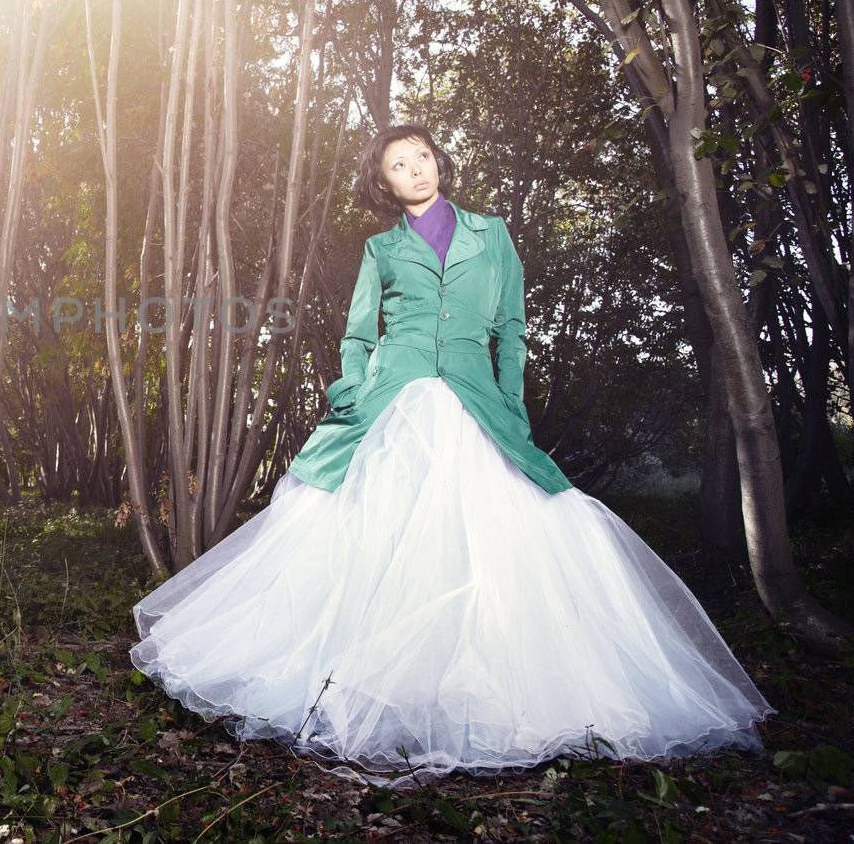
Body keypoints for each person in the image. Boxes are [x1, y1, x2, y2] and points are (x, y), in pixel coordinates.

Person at [128, 123, 776, 788]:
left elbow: (512, 327)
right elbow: (358, 331)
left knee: (497, 531)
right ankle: (367, 685)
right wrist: (353, 386)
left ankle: (480, 692)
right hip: (393, 397)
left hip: (473, 396)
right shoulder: (380, 248)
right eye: (399, 164)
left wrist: (510, 402)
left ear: (440, 162)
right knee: (372, 533)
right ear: (383, 182)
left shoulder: (491, 234)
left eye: (423, 157)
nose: (416, 169)